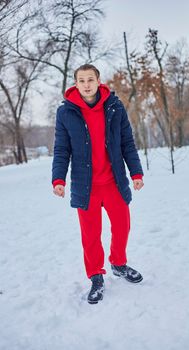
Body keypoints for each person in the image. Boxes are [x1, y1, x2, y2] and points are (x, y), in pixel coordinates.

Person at [52, 64, 144, 304]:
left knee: (122, 226)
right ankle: (96, 277)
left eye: (90, 79)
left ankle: (118, 263)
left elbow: (127, 143)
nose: (86, 84)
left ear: (98, 80)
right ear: (75, 83)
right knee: (90, 236)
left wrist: (136, 172)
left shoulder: (114, 106)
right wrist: (58, 179)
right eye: (81, 80)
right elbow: (62, 149)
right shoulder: (66, 112)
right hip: (86, 186)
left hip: (114, 181)